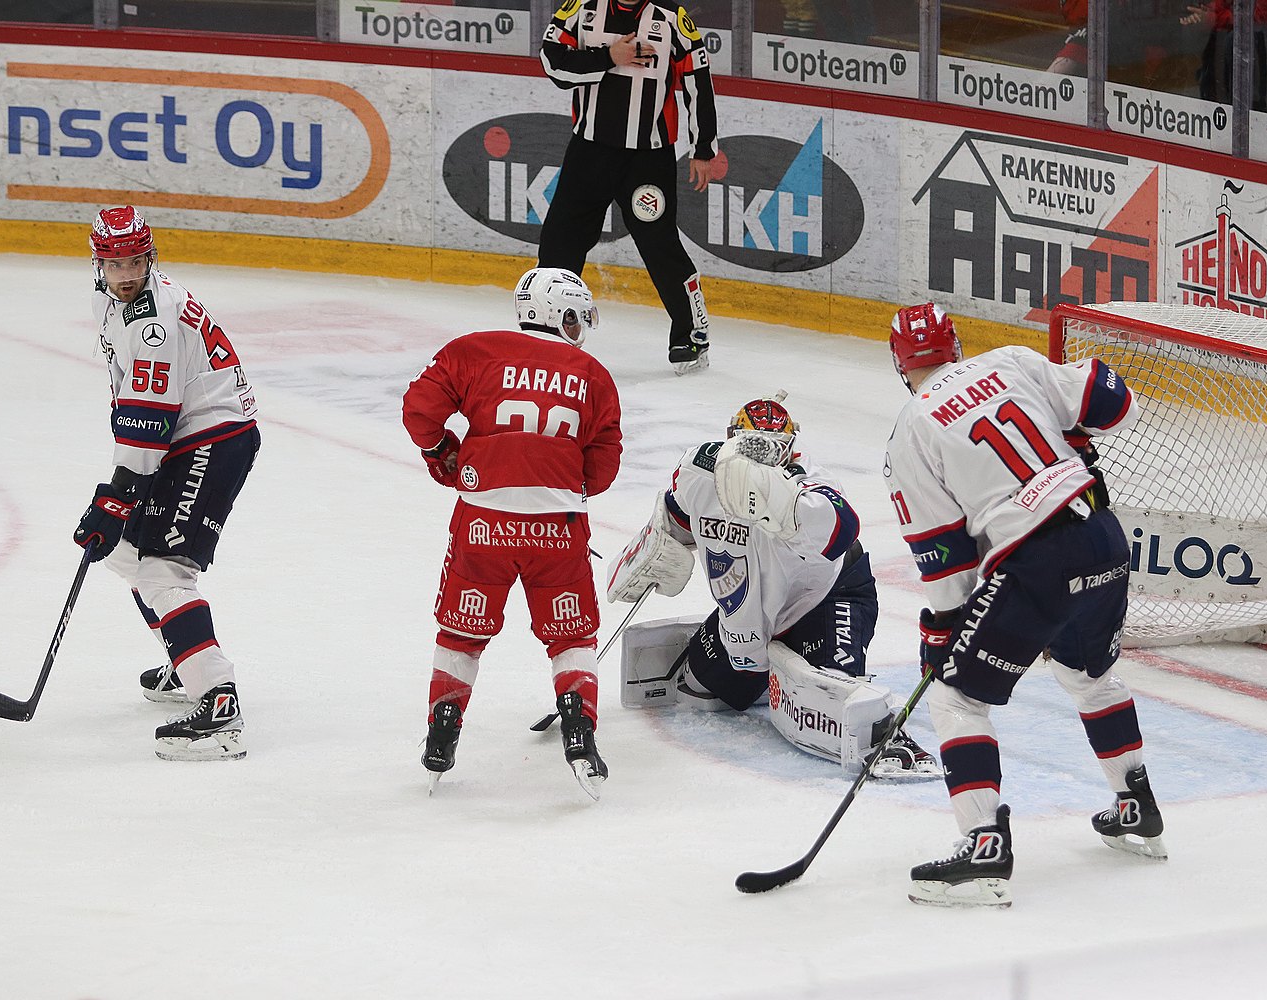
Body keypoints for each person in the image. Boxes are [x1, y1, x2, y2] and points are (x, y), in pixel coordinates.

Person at [882, 302, 1166, 908]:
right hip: (1104, 539)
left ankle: (983, 843)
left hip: (1037, 563)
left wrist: (945, 633)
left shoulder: (909, 431)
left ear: (900, 365)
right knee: (1089, 674)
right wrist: (1073, 436)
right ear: (956, 346)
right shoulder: (1011, 361)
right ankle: (1135, 803)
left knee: (957, 696)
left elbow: (947, 558)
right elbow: (1112, 398)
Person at [605, 395, 939, 779]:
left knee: (836, 702)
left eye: (770, 448)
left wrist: (778, 500)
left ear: (790, 449)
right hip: (757, 608)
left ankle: (879, 727)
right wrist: (653, 550)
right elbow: (677, 514)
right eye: (749, 445)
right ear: (730, 437)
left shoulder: (809, 484)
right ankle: (772, 661)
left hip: (826, 596)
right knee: (702, 688)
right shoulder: (700, 469)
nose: (758, 456)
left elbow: (842, 529)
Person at [402, 267, 623, 799]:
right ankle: (579, 732)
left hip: (483, 522)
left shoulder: (472, 350)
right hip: (557, 529)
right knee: (571, 635)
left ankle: (441, 733)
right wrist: (560, 485)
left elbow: (419, 411)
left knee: (462, 632)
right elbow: (604, 467)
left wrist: (443, 453)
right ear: (562, 315)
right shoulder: (592, 372)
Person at [76, 205, 260, 761]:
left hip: (212, 438)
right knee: (125, 550)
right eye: (115, 263)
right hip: (187, 437)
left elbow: (150, 419)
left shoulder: (153, 323)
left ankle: (218, 703)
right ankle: (189, 658)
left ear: (149, 256)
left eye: (135, 261)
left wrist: (116, 495)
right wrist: (119, 501)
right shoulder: (113, 300)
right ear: (98, 263)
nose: (126, 273)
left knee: (161, 567)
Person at [538, 0, 718, 376]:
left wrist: (703, 148)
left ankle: (690, 333)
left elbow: (697, 81)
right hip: (589, 152)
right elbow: (552, 62)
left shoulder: (673, 18)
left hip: (648, 159)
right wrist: (608, 57)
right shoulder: (581, 7)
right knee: (560, 240)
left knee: (659, 244)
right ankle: (549, 329)